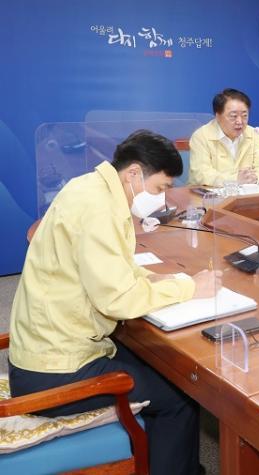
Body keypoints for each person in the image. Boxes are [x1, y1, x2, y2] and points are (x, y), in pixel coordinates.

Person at [8, 130, 220, 475]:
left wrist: (157, 280)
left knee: (160, 367)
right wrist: (188, 288)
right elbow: (118, 299)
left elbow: (113, 268)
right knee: (179, 397)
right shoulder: (99, 208)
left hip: (49, 349)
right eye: (160, 188)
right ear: (133, 173)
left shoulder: (90, 188)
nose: (162, 200)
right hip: (54, 370)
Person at [188, 88, 259, 186]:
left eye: (244, 115)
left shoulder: (253, 134)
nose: (240, 122)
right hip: (208, 193)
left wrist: (255, 177)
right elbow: (201, 174)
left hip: (246, 192)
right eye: (233, 116)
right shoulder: (201, 136)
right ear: (218, 116)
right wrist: (235, 180)